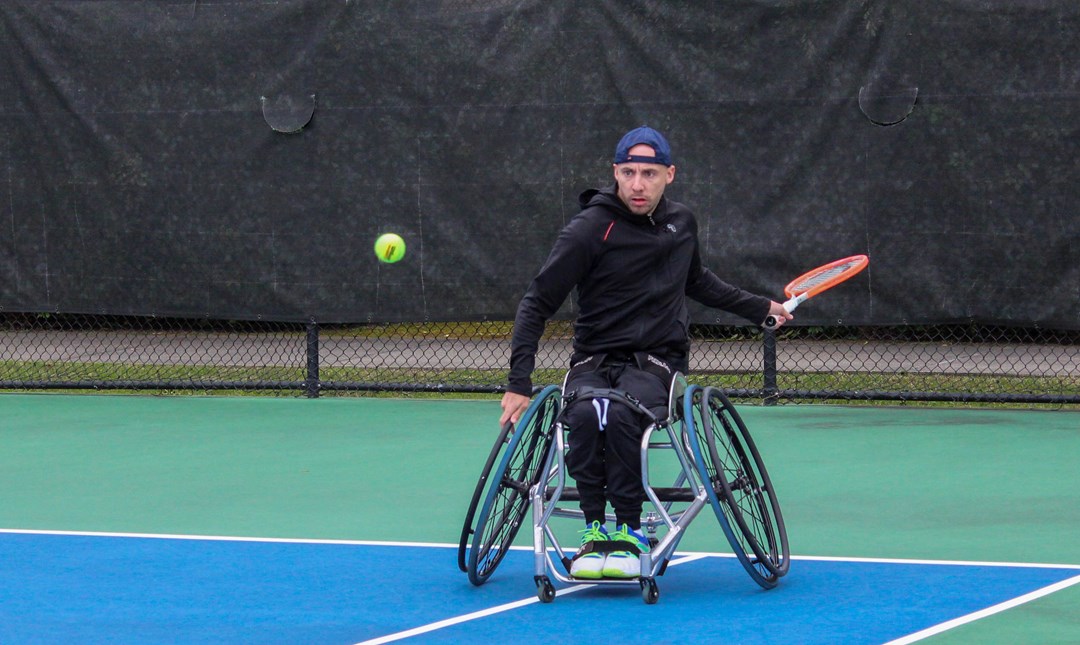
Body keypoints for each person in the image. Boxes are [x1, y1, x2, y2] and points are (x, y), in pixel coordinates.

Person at [499, 126, 792, 580]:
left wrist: (761, 308)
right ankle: (596, 530)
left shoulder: (681, 224)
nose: (638, 184)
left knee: (619, 415)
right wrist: (518, 385)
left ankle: (631, 529)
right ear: (615, 172)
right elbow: (536, 302)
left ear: (669, 175)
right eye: (629, 172)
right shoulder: (588, 230)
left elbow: (697, 281)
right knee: (582, 414)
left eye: (649, 173)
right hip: (593, 360)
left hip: (657, 361)